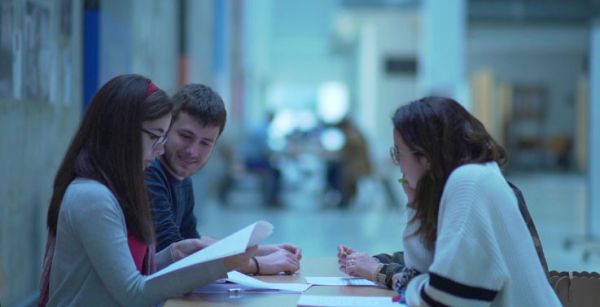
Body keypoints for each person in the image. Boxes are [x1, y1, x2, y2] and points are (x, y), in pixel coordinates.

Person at [39, 74, 255, 307]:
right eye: (154, 137)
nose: (160, 150)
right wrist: (222, 264)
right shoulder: (93, 197)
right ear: (122, 131)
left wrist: (173, 253)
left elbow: (132, 272)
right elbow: (134, 294)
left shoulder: (114, 189)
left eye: (162, 138)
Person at [340, 97, 561, 306]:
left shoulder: (470, 182)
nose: (398, 164)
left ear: (425, 157)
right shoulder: (471, 179)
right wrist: (418, 203)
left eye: (399, 153)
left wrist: (400, 280)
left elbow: (442, 300)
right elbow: (422, 271)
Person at [146, 83, 301, 275]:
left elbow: (192, 241)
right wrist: (258, 264)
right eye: (185, 136)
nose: (192, 151)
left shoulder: (182, 179)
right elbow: (178, 256)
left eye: (205, 142)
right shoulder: (150, 173)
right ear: (166, 128)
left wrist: (257, 250)